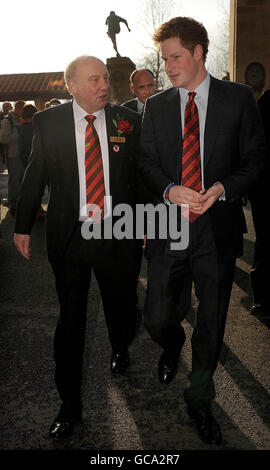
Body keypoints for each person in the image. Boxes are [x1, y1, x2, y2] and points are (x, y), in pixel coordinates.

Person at [139, 17, 265, 445]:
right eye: (165, 59)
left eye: (175, 57)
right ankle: (171, 343)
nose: (168, 66)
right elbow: (147, 163)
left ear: (197, 53)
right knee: (156, 316)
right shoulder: (155, 105)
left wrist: (224, 188)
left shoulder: (239, 98)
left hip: (218, 232)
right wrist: (170, 188)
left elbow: (255, 159)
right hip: (168, 232)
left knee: (210, 322)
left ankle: (199, 398)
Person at [14, 55, 141, 440]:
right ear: (70, 86)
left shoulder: (127, 120)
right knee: (70, 321)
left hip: (118, 234)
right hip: (70, 237)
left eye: (105, 78)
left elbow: (141, 173)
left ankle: (121, 344)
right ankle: (69, 405)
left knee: (121, 304)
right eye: (93, 80)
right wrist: (22, 226)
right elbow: (36, 172)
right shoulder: (49, 121)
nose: (104, 85)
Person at [248, 88, 270, 315]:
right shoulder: (266, 101)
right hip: (265, 189)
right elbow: (255, 145)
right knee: (265, 241)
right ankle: (262, 297)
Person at [0, 100, 25, 215]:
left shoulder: (22, 119)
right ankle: (13, 205)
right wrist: (18, 136)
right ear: (18, 109)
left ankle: (21, 203)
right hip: (13, 155)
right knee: (14, 181)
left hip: (24, 154)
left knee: (23, 180)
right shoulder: (7, 120)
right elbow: (3, 138)